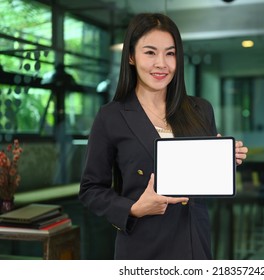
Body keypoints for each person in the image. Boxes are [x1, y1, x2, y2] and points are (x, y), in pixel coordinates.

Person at [79, 13, 248, 260]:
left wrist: (223, 161)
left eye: (170, 53)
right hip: (142, 247)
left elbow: (202, 181)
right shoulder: (111, 116)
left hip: (194, 244)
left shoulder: (200, 109)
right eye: (150, 53)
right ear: (131, 57)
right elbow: (90, 189)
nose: (162, 63)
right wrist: (133, 208)